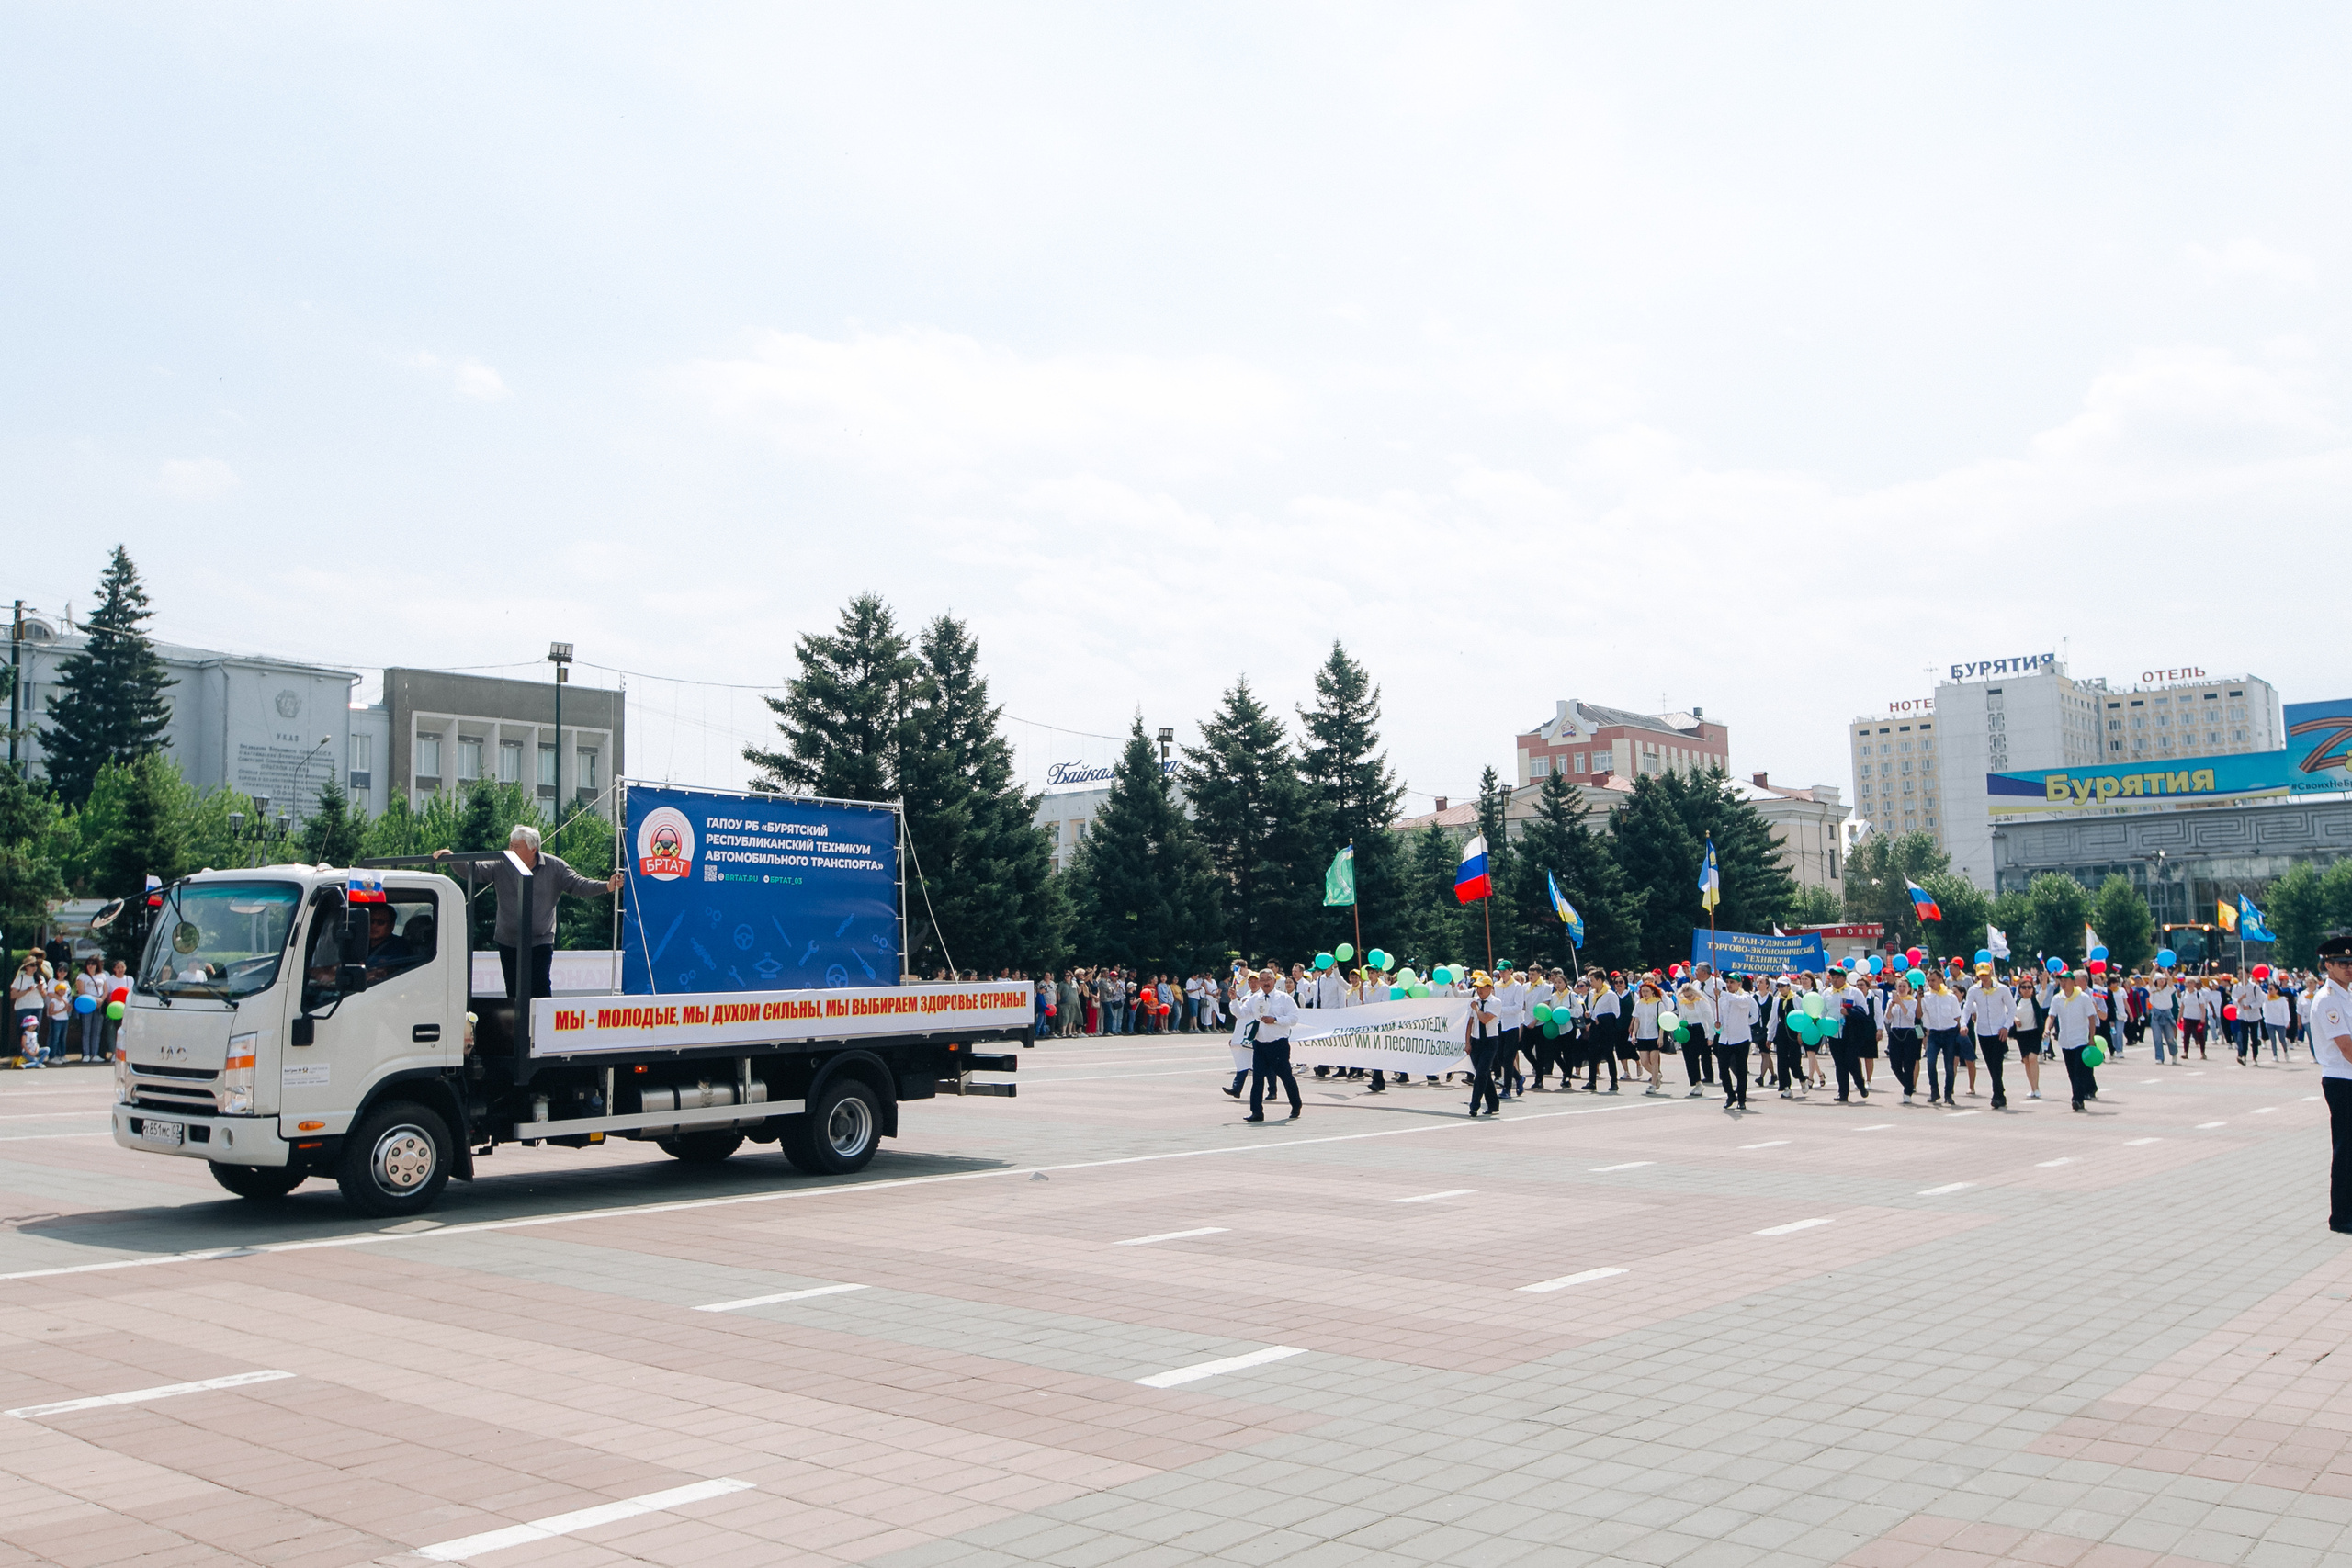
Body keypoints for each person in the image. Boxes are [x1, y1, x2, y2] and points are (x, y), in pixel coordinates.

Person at [433, 825, 621, 1000]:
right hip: (509, 940)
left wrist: (607, 886)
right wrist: (452, 858)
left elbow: (579, 884)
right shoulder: (501, 864)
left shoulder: (554, 867)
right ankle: (517, 1034)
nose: (511, 850)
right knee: (513, 991)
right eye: (510, 845)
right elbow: (474, 870)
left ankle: (541, 1033)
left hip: (540, 940)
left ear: (533, 849)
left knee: (540, 987)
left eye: (517, 846)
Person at [2313, 936, 2352, 1234]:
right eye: (2342, 963)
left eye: (2351, 963)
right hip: (2341, 1081)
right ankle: (2341, 1217)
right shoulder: (2328, 999)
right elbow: (2346, 1048)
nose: (2349, 968)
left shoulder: (2346, 994)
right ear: (2327, 965)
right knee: (2345, 1150)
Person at [1235, 967, 1302, 1122]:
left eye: (1268, 979)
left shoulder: (1284, 998)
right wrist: (1233, 1000)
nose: (1265, 982)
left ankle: (1296, 1105)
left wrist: (1276, 1020)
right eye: (1262, 980)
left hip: (1278, 1044)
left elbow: (1294, 1018)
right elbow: (1241, 1013)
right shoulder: (1254, 998)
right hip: (1259, 1044)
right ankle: (1257, 1112)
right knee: (1257, 1079)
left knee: (1285, 1076)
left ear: (1274, 981)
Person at [1961, 964, 2015, 1111]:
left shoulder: (2002, 989)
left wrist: (2006, 1026)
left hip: (1998, 1030)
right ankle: (2000, 1093)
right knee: (1990, 1062)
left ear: (1991, 973)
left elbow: (2012, 1008)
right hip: (1983, 1031)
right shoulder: (1974, 990)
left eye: (1986, 974)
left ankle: (1997, 1094)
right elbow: (1967, 1008)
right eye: (1981, 975)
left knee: (1997, 1061)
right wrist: (1963, 1024)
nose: (1983, 978)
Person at [2051, 969, 2103, 1112]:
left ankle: (2077, 1099)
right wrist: (2047, 1029)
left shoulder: (2083, 998)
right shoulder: (2057, 998)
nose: (2063, 983)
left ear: (2073, 982)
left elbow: (2092, 1018)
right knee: (2071, 1071)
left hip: (2080, 1040)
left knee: (2079, 1070)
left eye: (2066, 981)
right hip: (2065, 1040)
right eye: (2061, 981)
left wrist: (2091, 1038)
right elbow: (2052, 1016)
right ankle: (2077, 1095)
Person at [1918, 969, 1963, 1106]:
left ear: (1940, 980)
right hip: (1934, 1034)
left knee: (1949, 1066)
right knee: (1931, 1062)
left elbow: (1957, 1016)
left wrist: (1958, 1031)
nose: (1931, 983)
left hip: (1949, 1033)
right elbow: (1920, 1015)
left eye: (1933, 980)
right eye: (1929, 981)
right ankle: (1934, 1091)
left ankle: (1948, 1093)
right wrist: (1919, 999)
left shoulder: (1950, 997)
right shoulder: (1926, 997)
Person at [1464, 971, 1504, 1116]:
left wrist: (1476, 1008)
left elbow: (1485, 1019)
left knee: (1480, 1074)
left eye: (1482, 988)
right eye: (1477, 988)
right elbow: (1470, 1023)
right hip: (1476, 1041)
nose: (1479, 991)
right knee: (1483, 1073)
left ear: (1490, 988)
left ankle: (1474, 1105)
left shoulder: (1495, 1002)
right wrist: (1468, 1042)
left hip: (1490, 1041)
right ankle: (1493, 1104)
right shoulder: (1474, 1001)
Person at [1714, 976, 1756, 1111]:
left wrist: (1722, 993)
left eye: (1732, 982)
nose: (1729, 984)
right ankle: (1730, 1095)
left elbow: (1739, 1001)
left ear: (1739, 984)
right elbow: (1719, 1016)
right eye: (1727, 982)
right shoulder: (1722, 1000)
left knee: (1741, 1069)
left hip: (1741, 1038)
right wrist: (1718, 1024)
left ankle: (1742, 1099)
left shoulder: (1745, 997)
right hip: (1725, 1038)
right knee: (1722, 1069)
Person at [1883, 977, 1922, 1101]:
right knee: (1895, 1064)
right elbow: (1888, 1020)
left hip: (1908, 1032)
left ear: (1909, 989)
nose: (1901, 989)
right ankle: (1908, 1085)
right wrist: (1890, 1007)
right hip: (1895, 1032)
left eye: (1904, 987)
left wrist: (1900, 1003)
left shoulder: (1912, 1002)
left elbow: (1910, 1016)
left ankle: (1907, 1093)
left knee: (1908, 1063)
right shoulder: (1891, 1001)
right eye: (1899, 986)